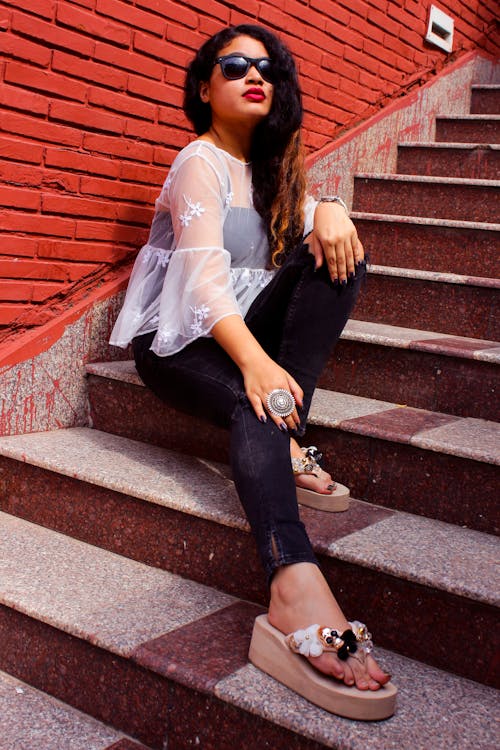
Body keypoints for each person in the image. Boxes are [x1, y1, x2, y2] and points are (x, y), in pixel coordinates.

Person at [110, 24, 396, 719]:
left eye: (265, 67)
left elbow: (303, 243)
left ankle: (286, 435)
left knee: (341, 257)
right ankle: (292, 582)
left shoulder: (273, 171)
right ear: (204, 87)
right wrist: (260, 368)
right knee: (253, 398)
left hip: (236, 336)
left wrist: (329, 207)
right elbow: (205, 289)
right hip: (175, 345)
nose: (252, 74)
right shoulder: (197, 163)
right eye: (232, 65)